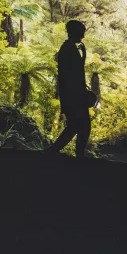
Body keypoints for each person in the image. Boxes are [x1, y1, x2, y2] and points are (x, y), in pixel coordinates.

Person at [47, 20, 93, 157]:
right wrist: (79, 93)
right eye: (81, 33)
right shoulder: (68, 49)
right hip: (74, 96)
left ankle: (53, 151)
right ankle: (74, 156)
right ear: (74, 32)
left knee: (75, 126)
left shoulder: (69, 48)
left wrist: (83, 58)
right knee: (82, 126)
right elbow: (70, 74)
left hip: (72, 95)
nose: (83, 37)